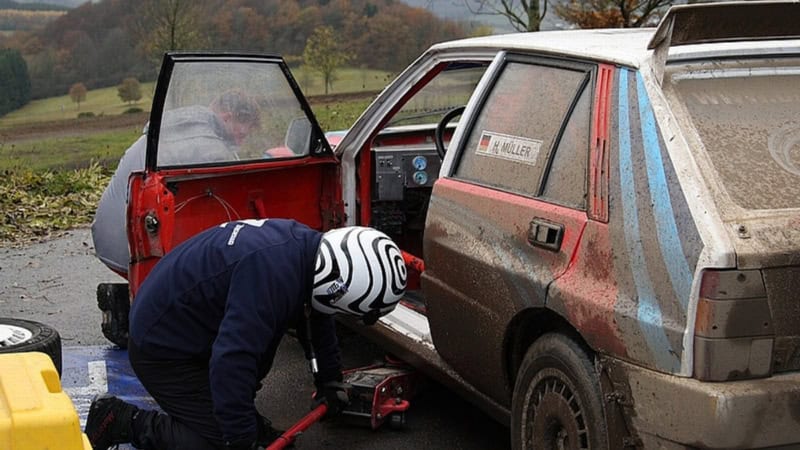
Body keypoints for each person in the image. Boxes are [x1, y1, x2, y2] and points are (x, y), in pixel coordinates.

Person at [84, 219, 408, 450]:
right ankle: (122, 419)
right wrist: (240, 438)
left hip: (185, 322)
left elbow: (318, 318)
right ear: (339, 288)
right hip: (162, 347)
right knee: (215, 442)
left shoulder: (308, 252)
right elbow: (232, 361)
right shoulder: (271, 277)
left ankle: (232, 420)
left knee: (256, 351)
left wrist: (330, 381)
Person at [91, 90, 261, 275]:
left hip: (109, 239)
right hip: (131, 250)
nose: (241, 143)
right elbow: (230, 194)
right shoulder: (205, 142)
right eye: (242, 135)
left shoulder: (185, 125)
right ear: (227, 118)